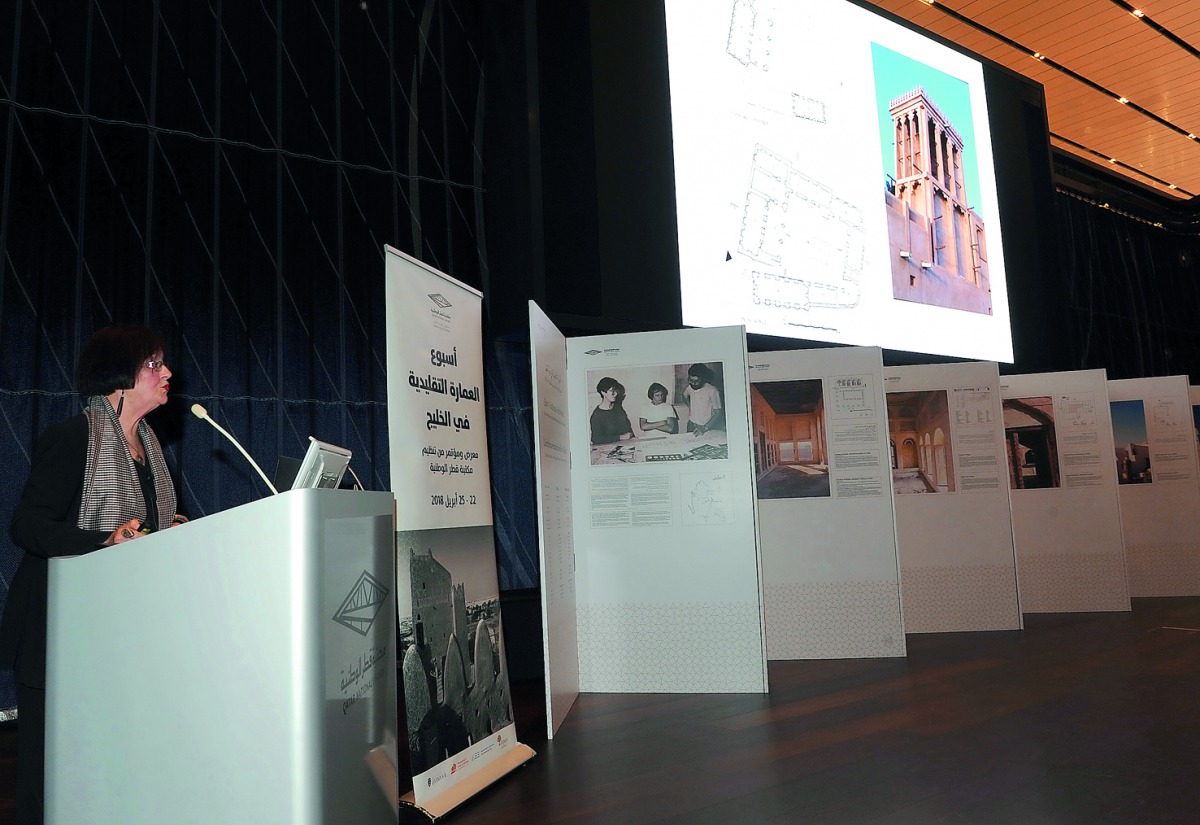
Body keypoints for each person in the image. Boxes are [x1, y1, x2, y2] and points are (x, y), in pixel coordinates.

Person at [0, 325, 187, 825]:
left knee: (107, 768)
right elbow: (28, 525)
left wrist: (171, 529)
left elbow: (139, 531)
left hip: (118, 635)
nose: (167, 372)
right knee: (49, 775)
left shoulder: (150, 449)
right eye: (154, 363)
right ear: (120, 377)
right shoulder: (74, 437)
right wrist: (102, 542)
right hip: (58, 633)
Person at [589, 376, 634, 445]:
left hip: (624, 446)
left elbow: (627, 429)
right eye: (612, 391)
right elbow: (596, 439)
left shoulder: (618, 408)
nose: (615, 394)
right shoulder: (597, 415)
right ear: (603, 392)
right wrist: (620, 437)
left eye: (616, 391)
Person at [683, 363, 724, 435]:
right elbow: (684, 396)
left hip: (705, 427)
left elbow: (717, 413)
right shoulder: (690, 387)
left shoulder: (712, 390)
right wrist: (690, 406)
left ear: (703, 379)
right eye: (690, 380)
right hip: (691, 425)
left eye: (696, 381)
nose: (693, 383)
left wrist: (704, 427)